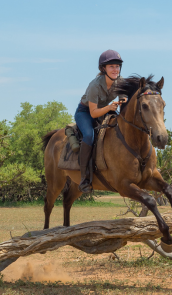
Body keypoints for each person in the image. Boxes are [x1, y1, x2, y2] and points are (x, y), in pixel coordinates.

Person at [75, 49, 126, 193]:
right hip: (85, 112)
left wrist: (122, 101)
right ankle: (84, 178)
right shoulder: (95, 85)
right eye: (111, 66)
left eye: (117, 66)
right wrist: (110, 107)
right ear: (103, 68)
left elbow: (123, 96)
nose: (115, 69)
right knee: (89, 136)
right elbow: (93, 112)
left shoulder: (120, 81)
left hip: (104, 110)